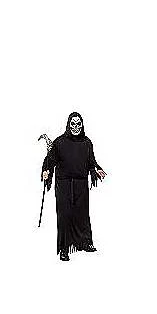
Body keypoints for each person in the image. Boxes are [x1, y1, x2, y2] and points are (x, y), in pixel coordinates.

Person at [41, 112, 106, 261]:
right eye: (73, 124)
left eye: (78, 124)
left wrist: (96, 169)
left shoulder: (87, 142)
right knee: (64, 216)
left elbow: (91, 162)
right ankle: (64, 248)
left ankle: (85, 243)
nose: (75, 127)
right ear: (68, 124)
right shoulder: (59, 142)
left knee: (82, 215)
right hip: (64, 185)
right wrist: (46, 171)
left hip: (81, 185)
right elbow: (50, 160)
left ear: (82, 125)